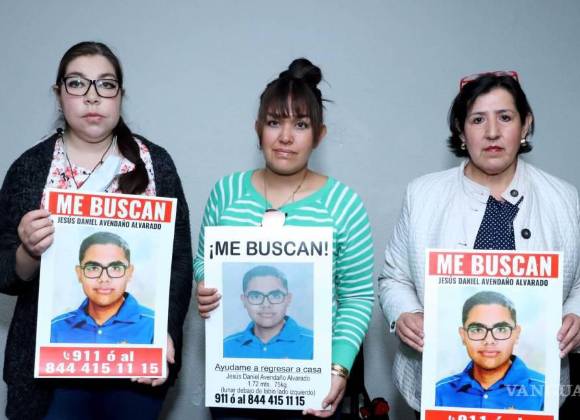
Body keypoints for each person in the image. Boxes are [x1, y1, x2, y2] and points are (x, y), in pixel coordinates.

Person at [0, 42, 192, 420]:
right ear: (59, 94)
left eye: (106, 84)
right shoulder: (30, 168)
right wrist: (28, 250)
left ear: (120, 95)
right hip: (49, 373)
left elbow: (179, 261)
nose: (92, 96)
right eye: (77, 83)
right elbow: (4, 272)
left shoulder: (155, 163)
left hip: (134, 368)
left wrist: (164, 331)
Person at [378, 71, 580, 418]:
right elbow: (394, 278)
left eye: (505, 117)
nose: (492, 132)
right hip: (436, 390)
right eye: (477, 120)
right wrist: (405, 314)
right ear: (460, 131)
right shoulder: (422, 195)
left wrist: (576, 315)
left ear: (526, 124)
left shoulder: (564, 198)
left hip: (533, 396)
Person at [195, 58, 374, 418]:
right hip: (236, 384)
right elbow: (203, 259)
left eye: (301, 124)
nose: (286, 137)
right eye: (274, 122)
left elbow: (356, 297)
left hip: (311, 386)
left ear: (319, 135)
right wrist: (205, 283)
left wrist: (338, 368)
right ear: (258, 129)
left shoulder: (345, 204)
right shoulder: (226, 192)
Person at [435, 291, 544, 410]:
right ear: (463, 336)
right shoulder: (439, 392)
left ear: (516, 334)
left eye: (501, 329)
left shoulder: (544, 390)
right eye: (477, 330)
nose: (489, 340)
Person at [51, 231, 154, 344]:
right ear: (79, 273)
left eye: (115, 268)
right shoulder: (55, 329)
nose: (104, 279)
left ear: (129, 273)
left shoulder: (154, 326)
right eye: (93, 268)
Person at [223, 265, 313, 359]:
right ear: (244, 301)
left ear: (288, 299)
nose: (266, 305)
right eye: (256, 296)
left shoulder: (314, 344)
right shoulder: (226, 347)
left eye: (275, 296)